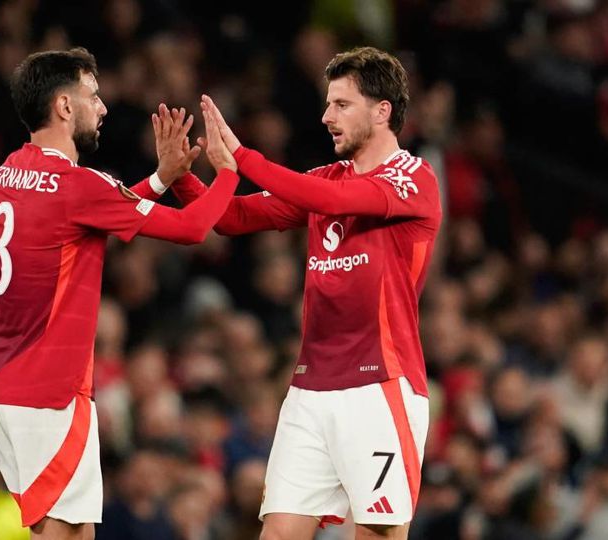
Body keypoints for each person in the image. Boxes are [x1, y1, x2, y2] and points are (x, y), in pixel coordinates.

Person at [171, 46, 442, 539]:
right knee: (277, 532)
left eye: (342, 104)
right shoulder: (324, 180)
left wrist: (244, 157)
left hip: (380, 385)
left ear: (382, 111)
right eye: (327, 104)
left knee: (379, 533)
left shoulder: (413, 177)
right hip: (310, 389)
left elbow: (334, 200)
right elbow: (232, 218)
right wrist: (181, 177)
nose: (326, 117)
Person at [0, 47, 239, 540]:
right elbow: (192, 228)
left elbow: (90, 217)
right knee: (63, 533)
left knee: (77, 532)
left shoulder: (8, 173)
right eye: (92, 96)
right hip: (49, 393)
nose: (102, 108)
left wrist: (161, 178)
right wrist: (227, 172)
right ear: (64, 106)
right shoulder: (77, 185)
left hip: (3, 388)